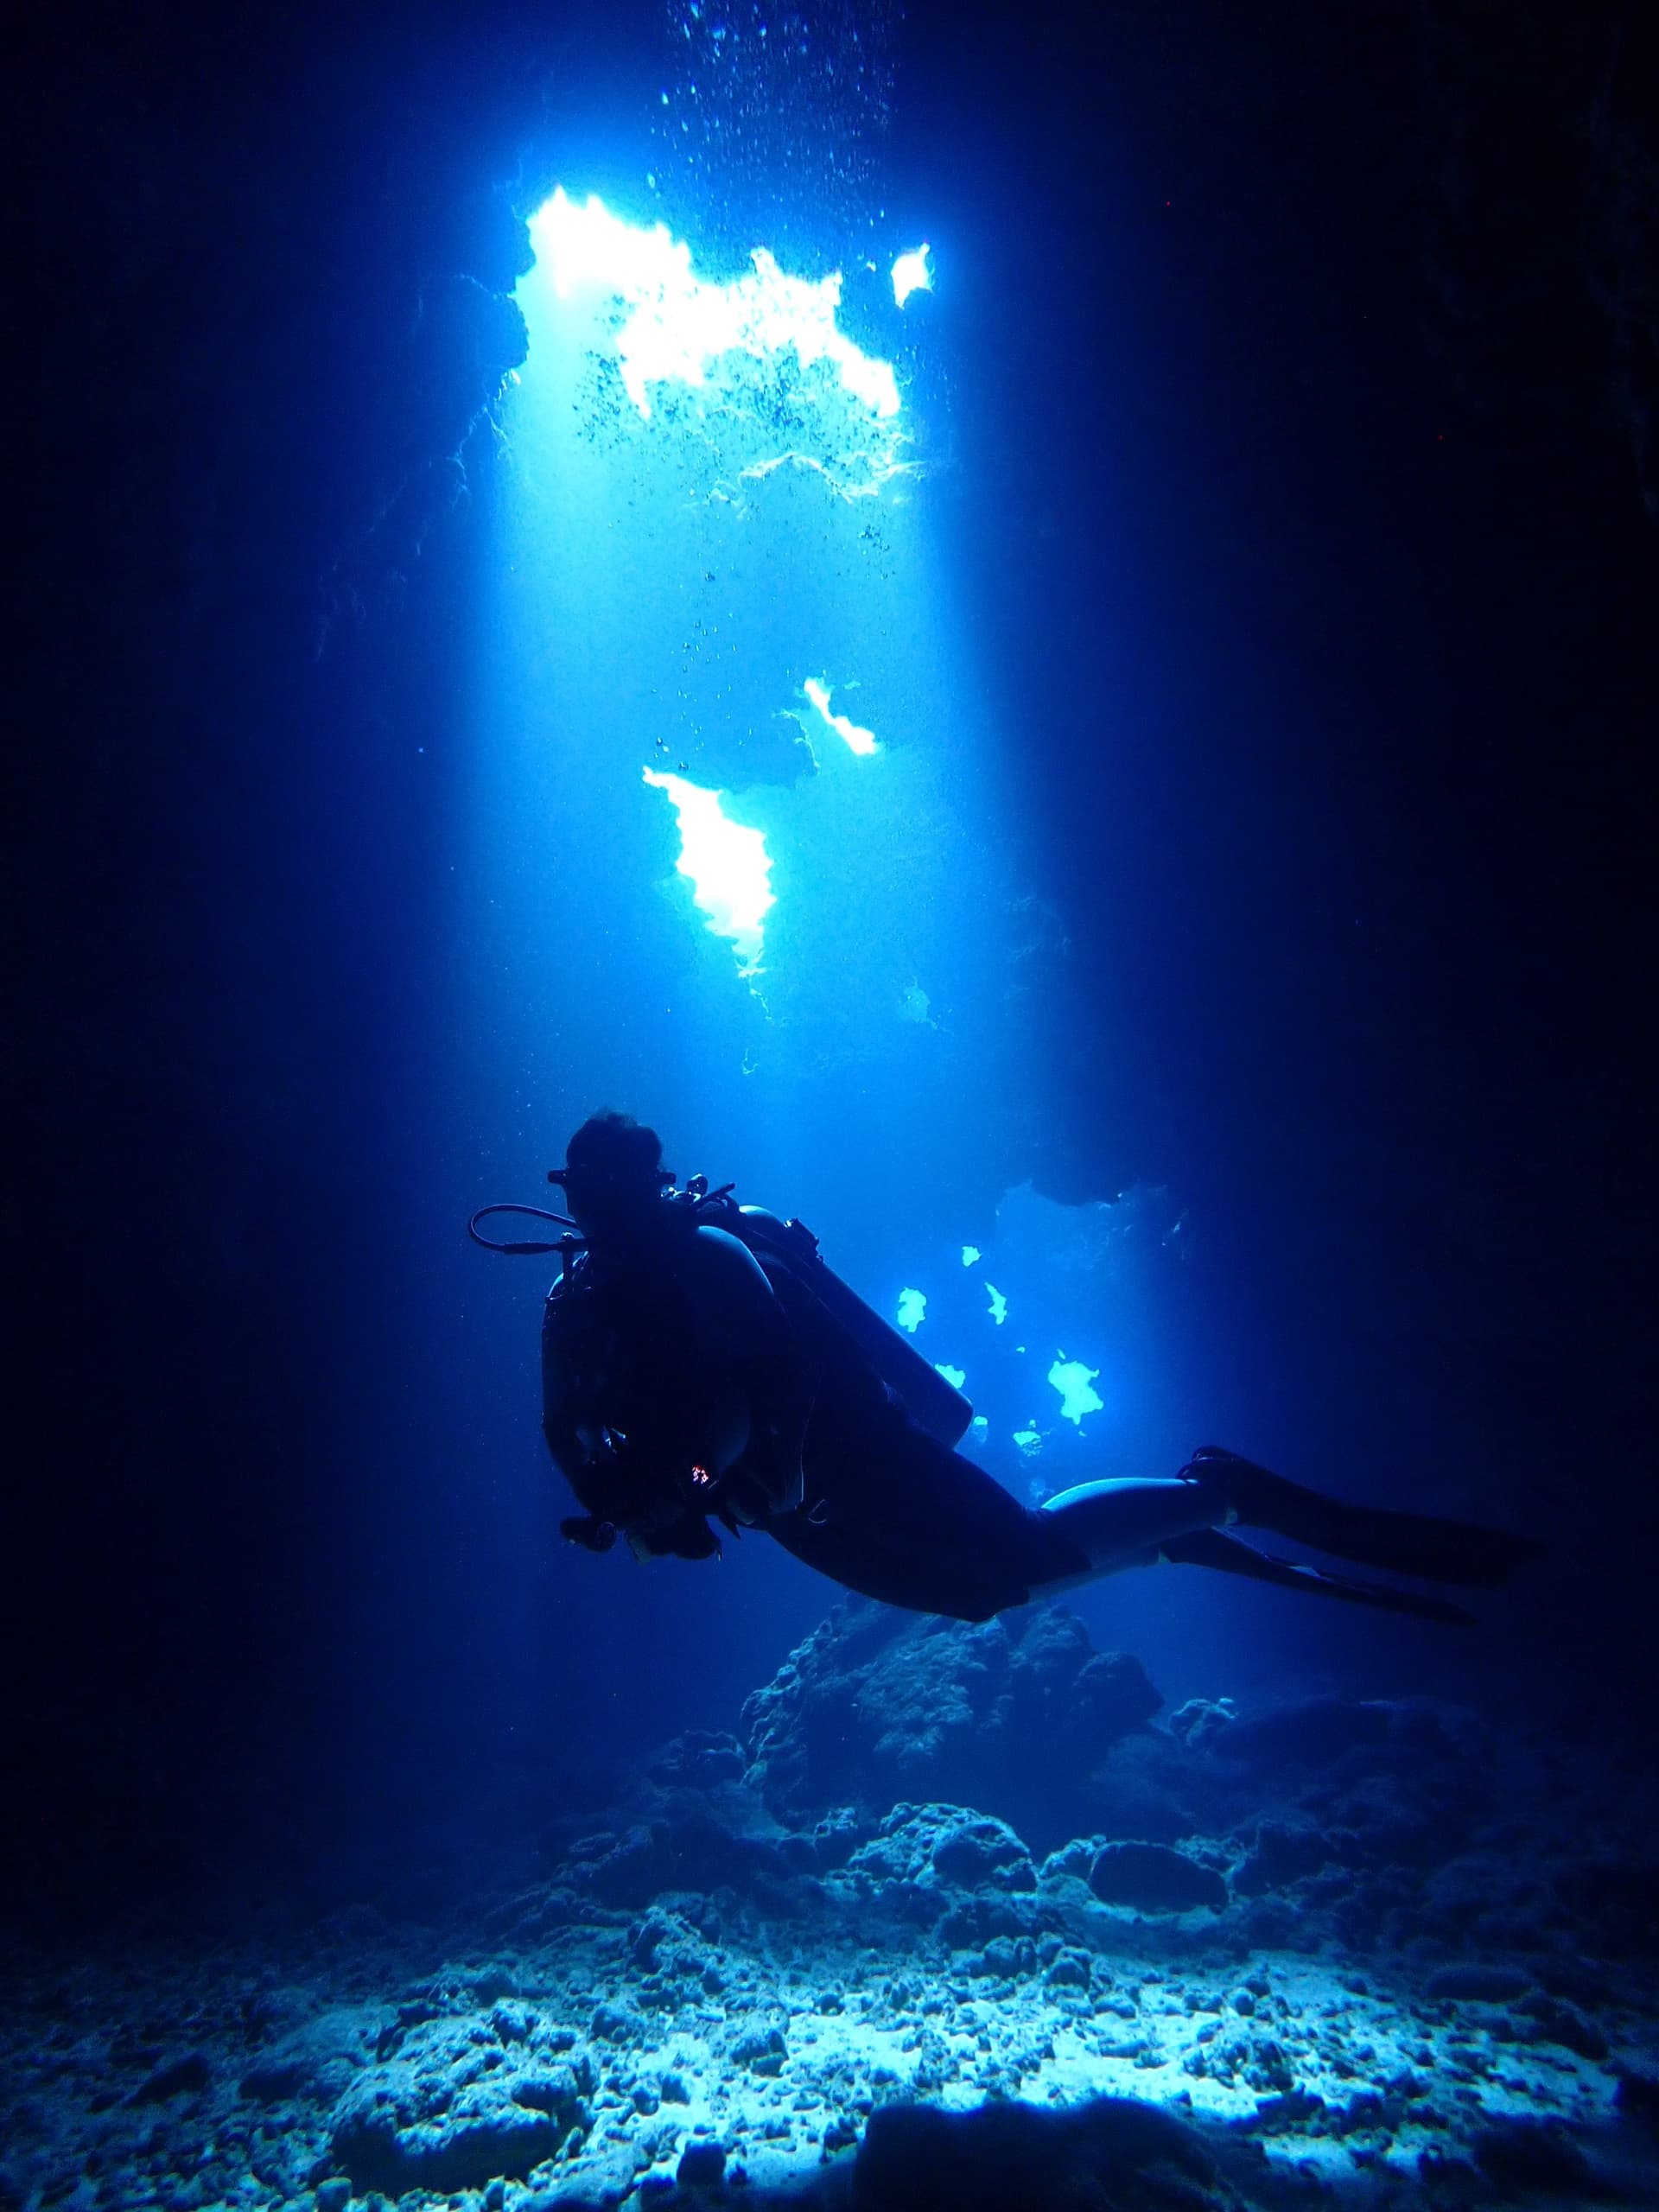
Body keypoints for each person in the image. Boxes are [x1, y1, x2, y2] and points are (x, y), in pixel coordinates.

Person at [537, 1112, 1541, 1626]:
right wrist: (626, 1504)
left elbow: (779, 1376)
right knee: (985, 1596)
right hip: (784, 1503)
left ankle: (1213, 1497)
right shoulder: (578, 1301)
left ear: (651, 1178)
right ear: (575, 1193)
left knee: (1019, 1556)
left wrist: (743, 1479)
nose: (602, 1205)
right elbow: (566, 1424)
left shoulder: (708, 1256)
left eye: (617, 1184)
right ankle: (1152, 1538)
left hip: (855, 1457)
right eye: (591, 1190)